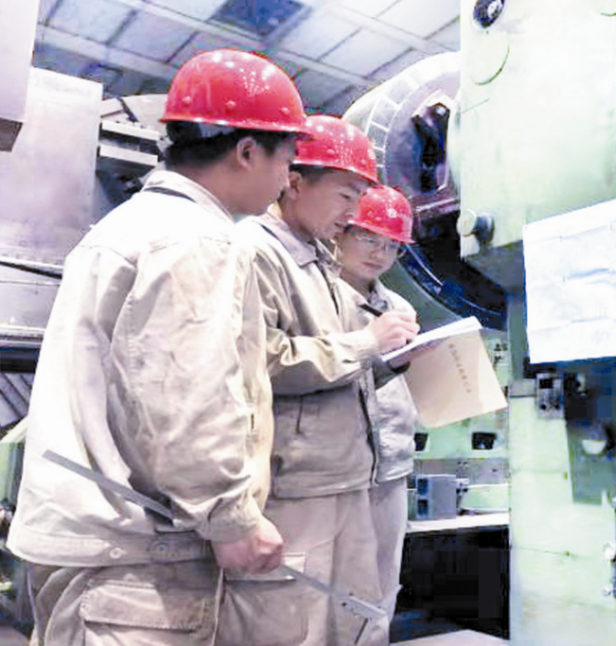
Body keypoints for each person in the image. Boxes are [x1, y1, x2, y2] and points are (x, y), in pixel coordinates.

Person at [7, 49, 308, 645]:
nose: (287, 180)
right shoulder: (198, 240)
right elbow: (188, 397)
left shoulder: (130, 225)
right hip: (133, 561)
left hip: (88, 547)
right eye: (288, 160)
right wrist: (231, 517)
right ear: (248, 152)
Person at [220, 116, 419, 646]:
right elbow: (259, 360)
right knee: (294, 622)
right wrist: (367, 344)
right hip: (296, 481)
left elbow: (331, 364)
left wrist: (386, 360)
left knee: (356, 615)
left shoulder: (313, 258)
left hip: (346, 474)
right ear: (294, 181)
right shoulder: (255, 250)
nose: (353, 213)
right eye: (347, 196)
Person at [335, 186, 420, 640]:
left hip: (391, 463)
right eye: (369, 238)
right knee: (333, 588)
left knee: (384, 583)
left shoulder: (399, 307)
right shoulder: (319, 296)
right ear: (340, 231)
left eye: (391, 246)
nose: (379, 254)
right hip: (338, 468)